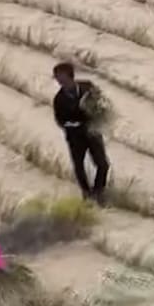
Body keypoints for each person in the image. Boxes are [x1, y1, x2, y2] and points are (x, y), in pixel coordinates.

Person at [52, 62, 110, 203]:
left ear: (69, 75)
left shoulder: (87, 87)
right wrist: (72, 125)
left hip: (92, 132)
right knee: (79, 166)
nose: (58, 80)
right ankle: (86, 193)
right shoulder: (59, 99)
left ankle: (98, 191)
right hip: (75, 137)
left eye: (60, 76)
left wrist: (100, 115)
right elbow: (60, 121)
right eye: (57, 77)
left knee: (103, 164)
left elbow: (101, 102)